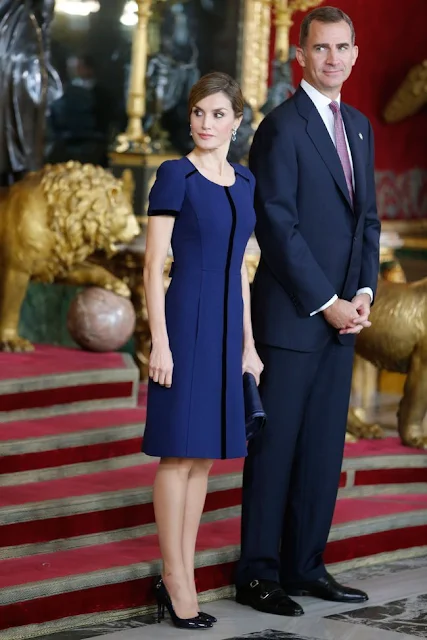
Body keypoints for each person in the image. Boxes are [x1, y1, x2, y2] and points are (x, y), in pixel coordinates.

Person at [235, 6, 381, 616]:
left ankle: (305, 566)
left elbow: (367, 222)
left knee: (324, 448)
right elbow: (279, 225)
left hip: (345, 318)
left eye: (343, 47)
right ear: (300, 55)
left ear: (354, 52)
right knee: (277, 450)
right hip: (296, 318)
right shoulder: (281, 127)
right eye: (321, 48)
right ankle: (258, 574)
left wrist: (363, 297)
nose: (333, 59)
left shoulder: (361, 126)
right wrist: (327, 304)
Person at [143, 71, 263, 629]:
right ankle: (173, 576)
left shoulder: (244, 182)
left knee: (205, 455)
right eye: (199, 113)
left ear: (237, 122)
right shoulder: (174, 176)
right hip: (184, 323)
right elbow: (153, 266)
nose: (207, 123)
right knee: (177, 453)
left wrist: (249, 345)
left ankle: (183, 571)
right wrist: (159, 341)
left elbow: (241, 268)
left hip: (223, 331)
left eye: (219, 114)